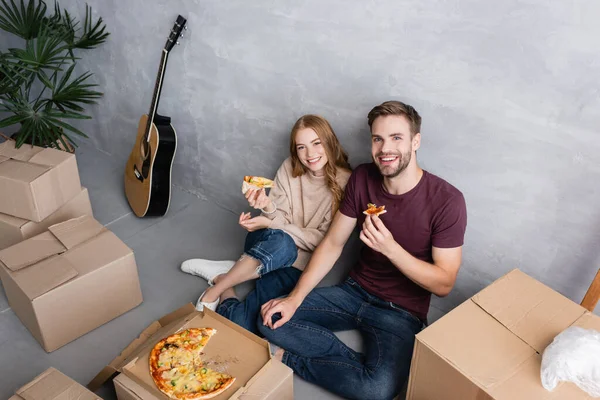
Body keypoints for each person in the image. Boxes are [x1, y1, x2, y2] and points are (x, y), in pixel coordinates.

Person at [257, 100, 468, 400]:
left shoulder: (447, 201)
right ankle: (346, 367)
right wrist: (294, 299)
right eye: (378, 139)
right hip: (353, 292)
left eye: (397, 138)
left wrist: (391, 249)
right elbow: (332, 243)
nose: (386, 149)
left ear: (416, 141)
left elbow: (444, 283)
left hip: (401, 313)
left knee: (377, 390)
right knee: (271, 319)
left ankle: (292, 360)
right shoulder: (362, 178)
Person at [181, 114, 352, 321]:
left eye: (317, 143)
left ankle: (224, 278)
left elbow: (324, 240)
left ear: (330, 141)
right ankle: (212, 293)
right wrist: (268, 206)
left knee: (245, 323)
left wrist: (273, 223)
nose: (310, 154)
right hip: (269, 244)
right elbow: (277, 219)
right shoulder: (290, 167)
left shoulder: (347, 183)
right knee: (282, 243)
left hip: (298, 263)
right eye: (301, 147)